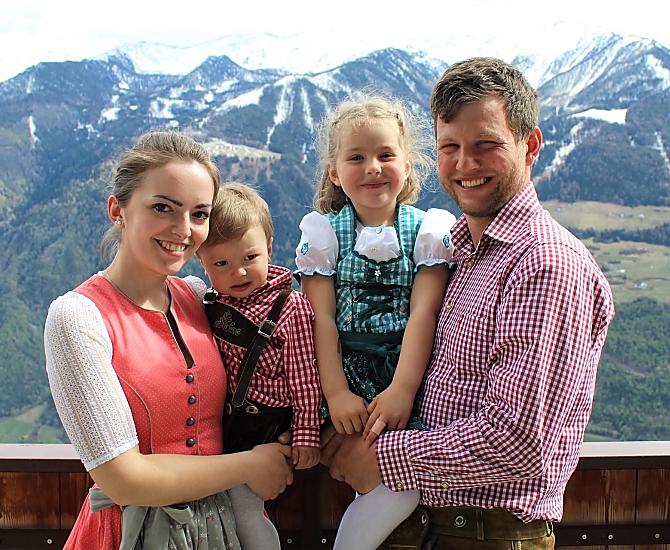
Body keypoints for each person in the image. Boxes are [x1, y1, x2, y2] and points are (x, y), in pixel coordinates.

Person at [321, 57, 616, 550]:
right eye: (450, 147)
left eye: (486, 145)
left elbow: (519, 442)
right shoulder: (458, 251)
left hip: (484, 533)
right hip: (426, 522)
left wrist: (380, 455)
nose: (464, 164)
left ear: (530, 145)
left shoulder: (544, 264)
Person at [44, 132, 293, 550]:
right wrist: (250, 465)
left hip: (221, 529)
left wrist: (295, 431)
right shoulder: (77, 317)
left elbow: (277, 356)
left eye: (200, 214)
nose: (184, 229)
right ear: (117, 211)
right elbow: (122, 479)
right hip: (129, 535)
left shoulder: (198, 295)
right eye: (163, 207)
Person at [295, 95, 457, 550]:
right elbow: (321, 319)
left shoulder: (428, 231)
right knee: (385, 481)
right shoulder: (324, 233)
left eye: (386, 155)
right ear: (334, 172)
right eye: (356, 158)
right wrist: (336, 394)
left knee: (400, 486)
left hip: (403, 379)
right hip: (342, 379)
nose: (373, 168)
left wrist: (403, 389)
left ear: (407, 165)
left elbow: (423, 313)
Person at [193, 182, 322, 550]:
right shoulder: (214, 303)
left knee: (243, 506)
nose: (238, 273)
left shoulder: (289, 308)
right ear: (202, 262)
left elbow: (304, 378)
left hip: (265, 423)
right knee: (220, 503)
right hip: (226, 421)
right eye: (221, 263)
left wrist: (306, 433)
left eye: (250, 258)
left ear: (269, 248)